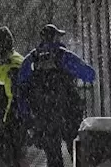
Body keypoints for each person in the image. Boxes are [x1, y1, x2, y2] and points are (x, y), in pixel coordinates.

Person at [17, 24, 96, 167]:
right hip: (67, 113)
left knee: (53, 157)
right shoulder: (62, 55)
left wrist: (27, 116)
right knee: (77, 153)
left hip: (44, 117)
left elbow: (21, 88)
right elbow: (90, 74)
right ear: (54, 37)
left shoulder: (32, 59)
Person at [0, 27, 27, 167]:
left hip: (10, 119)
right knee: (4, 157)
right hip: (2, 118)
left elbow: (12, 95)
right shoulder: (1, 63)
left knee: (12, 157)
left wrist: (4, 119)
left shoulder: (13, 63)